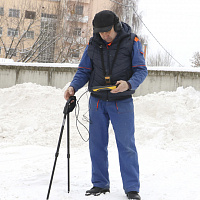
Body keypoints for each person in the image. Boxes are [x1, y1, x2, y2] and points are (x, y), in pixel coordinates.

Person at [64, 10, 148, 200]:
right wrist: (72, 87)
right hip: (97, 102)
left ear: (116, 26)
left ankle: (132, 188)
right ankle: (100, 184)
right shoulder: (93, 44)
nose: (104, 35)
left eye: (107, 31)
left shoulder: (132, 41)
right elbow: (84, 70)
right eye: (100, 32)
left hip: (122, 102)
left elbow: (141, 71)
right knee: (96, 145)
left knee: (126, 145)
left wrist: (128, 84)